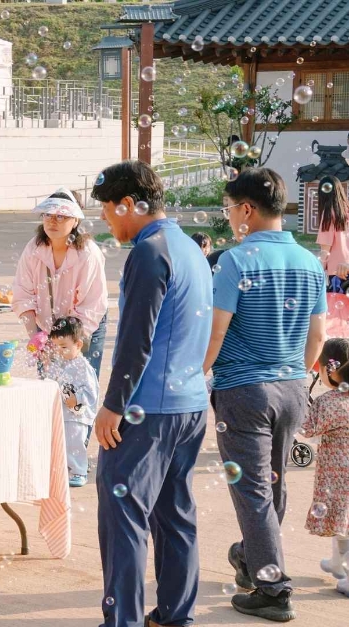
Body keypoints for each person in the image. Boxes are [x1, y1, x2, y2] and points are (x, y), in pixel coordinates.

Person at [90, 160, 212, 627]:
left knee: (124, 520)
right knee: (175, 514)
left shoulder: (149, 252)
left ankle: (121, 619)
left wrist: (112, 406)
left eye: (107, 208)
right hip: (190, 405)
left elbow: (136, 339)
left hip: (147, 410)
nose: (105, 218)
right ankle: (177, 614)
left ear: (128, 204)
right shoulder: (186, 245)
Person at [203, 167, 326, 622]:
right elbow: (318, 338)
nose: (229, 216)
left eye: (229, 208)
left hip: (244, 391)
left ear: (247, 210)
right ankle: (250, 557)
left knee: (254, 492)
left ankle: (272, 589)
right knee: (273, 482)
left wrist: (196, 377)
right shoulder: (310, 261)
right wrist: (296, 375)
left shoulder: (235, 261)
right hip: (293, 387)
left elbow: (215, 334)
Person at [12, 188, 108, 377]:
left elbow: (90, 306)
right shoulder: (34, 248)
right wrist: (37, 338)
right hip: (46, 326)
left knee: (79, 391)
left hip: (85, 326)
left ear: (76, 221)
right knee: (50, 390)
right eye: (48, 214)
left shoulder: (88, 254)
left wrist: (64, 346)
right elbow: (23, 295)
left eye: (62, 216)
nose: (52, 221)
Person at [303, 338, 349, 598]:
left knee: (342, 519)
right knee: (343, 520)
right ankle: (336, 563)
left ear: (329, 370)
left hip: (338, 477)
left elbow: (306, 428)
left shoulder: (329, 401)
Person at [44, 316, 99, 488]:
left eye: (64, 347)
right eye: (56, 346)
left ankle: (79, 471)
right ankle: (62, 469)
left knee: (74, 443)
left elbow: (91, 393)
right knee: (60, 442)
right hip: (61, 411)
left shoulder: (83, 367)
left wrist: (76, 399)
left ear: (78, 344)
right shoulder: (59, 362)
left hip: (77, 415)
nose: (59, 351)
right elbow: (50, 380)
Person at [316, 175, 349, 293]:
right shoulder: (346, 210)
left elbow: (325, 251)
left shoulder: (329, 213)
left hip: (337, 272)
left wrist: (316, 272)